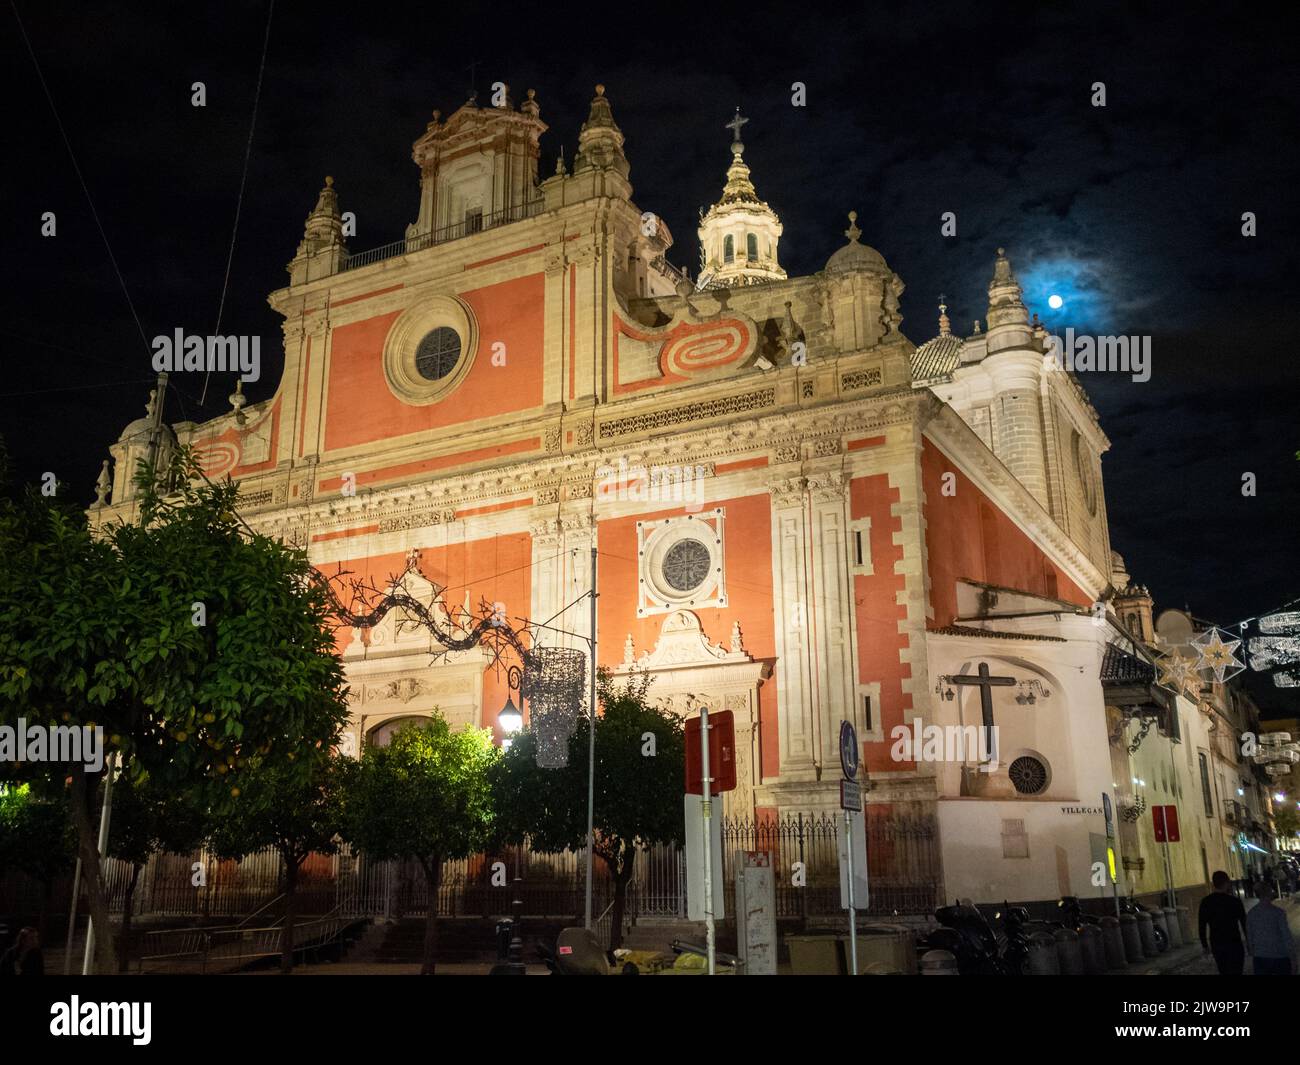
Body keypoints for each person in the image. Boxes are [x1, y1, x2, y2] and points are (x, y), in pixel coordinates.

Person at [1199, 870, 1248, 975]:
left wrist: (1205, 945)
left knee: (1223, 970)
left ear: (1214, 883)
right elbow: (1244, 923)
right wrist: (1249, 942)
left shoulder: (1206, 902)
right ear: (1226, 883)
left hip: (1217, 944)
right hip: (1234, 943)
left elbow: (1201, 926)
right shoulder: (1235, 902)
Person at [1245, 883, 1294, 975]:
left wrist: (1252, 950)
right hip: (1279, 955)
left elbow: (1250, 935)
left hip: (1260, 956)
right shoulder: (1278, 913)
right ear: (1269, 893)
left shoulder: (1251, 913)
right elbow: (1286, 935)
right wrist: (1291, 953)